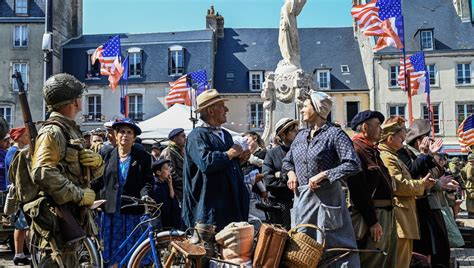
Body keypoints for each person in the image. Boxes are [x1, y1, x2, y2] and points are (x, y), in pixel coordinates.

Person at [30, 73, 104, 267]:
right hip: (59, 224)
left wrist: (97, 164)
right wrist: (79, 195)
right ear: (73, 102)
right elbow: (42, 172)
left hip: (71, 220)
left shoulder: (69, 129)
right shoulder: (53, 132)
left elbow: (75, 172)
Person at [282, 91, 361, 267]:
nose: (301, 109)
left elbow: (353, 164)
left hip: (327, 200)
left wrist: (326, 174)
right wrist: (290, 173)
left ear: (317, 109)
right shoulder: (301, 136)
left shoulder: (335, 134)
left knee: (333, 248)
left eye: (305, 105)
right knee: (301, 249)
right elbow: (287, 161)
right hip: (302, 200)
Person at [182, 88, 250, 231]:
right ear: (210, 111)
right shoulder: (196, 136)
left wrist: (240, 160)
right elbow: (205, 162)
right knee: (207, 251)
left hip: (229, 207)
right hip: (209, 210)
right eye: (221, 106)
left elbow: (226, 165)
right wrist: (229, 154)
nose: (226, 109)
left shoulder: (225, 134)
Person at [94, 118, 153, 265]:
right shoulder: (107, 155)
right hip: (111, 211)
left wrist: (145, 195)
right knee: (112, 251)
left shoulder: (143, 157)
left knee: (133, 251)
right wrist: (87, 195)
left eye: (129, 132)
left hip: (131, 211)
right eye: (121, 132)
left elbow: (147, 182)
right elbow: (99, 181)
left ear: (134, 137)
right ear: (115, 134)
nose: (125, 135)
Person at [378, 116, 435, 268]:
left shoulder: (393, 156)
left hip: (404, 218)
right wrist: (421, 184)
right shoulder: (386, 157)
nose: (403, 141)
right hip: (399, 219)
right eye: (401, 138)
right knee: (399, 263)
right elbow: (398, 185)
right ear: (390, 138)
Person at [346, 110, 396, 267]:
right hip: (373, 215)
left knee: (385, 260)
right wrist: (372, 221)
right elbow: (359, 191)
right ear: (365, 128)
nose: (381, 129)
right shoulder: (357, 150)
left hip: (385, 214)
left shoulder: (370, 150)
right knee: (372, 260)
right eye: (377, 125)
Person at [398, 119, 450, 267]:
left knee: (439, 248)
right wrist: (424, 155)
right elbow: (413, 172)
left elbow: (435, 172)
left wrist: (431, 157)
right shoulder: (404, 153)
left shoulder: (423, 154)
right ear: (419, 139)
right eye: (427, 137)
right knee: (426, 249)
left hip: (429, 204)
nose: (431, 140)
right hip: (418, 206)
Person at [262, 118, 299, 229]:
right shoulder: (272, 154)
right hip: (280, 206)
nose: (297, 133)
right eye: (293, 130)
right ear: (283, 134)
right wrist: (288, 181)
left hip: (301, 203)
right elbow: (268, 180)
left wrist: (280, 175)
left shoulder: (302, 151)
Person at [4, 127, 30, 265]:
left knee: (20, 226)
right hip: (19, 193)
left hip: (15, 192)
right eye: (25, 135)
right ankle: (32, 253)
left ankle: (19, 254)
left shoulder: (11, 151)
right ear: (19, 137)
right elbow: (18, 176)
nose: (27, 137)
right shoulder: (16, 152)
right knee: (25, 225)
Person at [241, 131, 268, 221]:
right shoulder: (246, 157)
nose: (245, 143)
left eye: (247, 139)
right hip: (247, 192)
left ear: (255, 138)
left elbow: (264, 168)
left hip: (256, 195)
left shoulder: (263, 153)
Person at [150, 159, 181, 229]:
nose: (169, 171)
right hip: (164, 223)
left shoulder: (165, 182)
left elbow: (172, 197)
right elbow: (165, 208)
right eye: (166, 169)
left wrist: (170, 184)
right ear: (158, 172)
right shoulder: (157, 187)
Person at [160, 128, 186, 202]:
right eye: (183, 136)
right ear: (175, 138)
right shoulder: (169, 151)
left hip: (181, 189)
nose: (185, 138)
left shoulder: (180, 151)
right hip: (175, 190)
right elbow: (171, 172)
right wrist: (185, 184)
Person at [462, 153, 474, 218]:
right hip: (471, 186)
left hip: (468, 185)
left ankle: (471, 213)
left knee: (470, 200)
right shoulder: (470, 166)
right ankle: (471, 214)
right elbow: (469, 177)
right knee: (471, 201)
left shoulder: (466, 166)